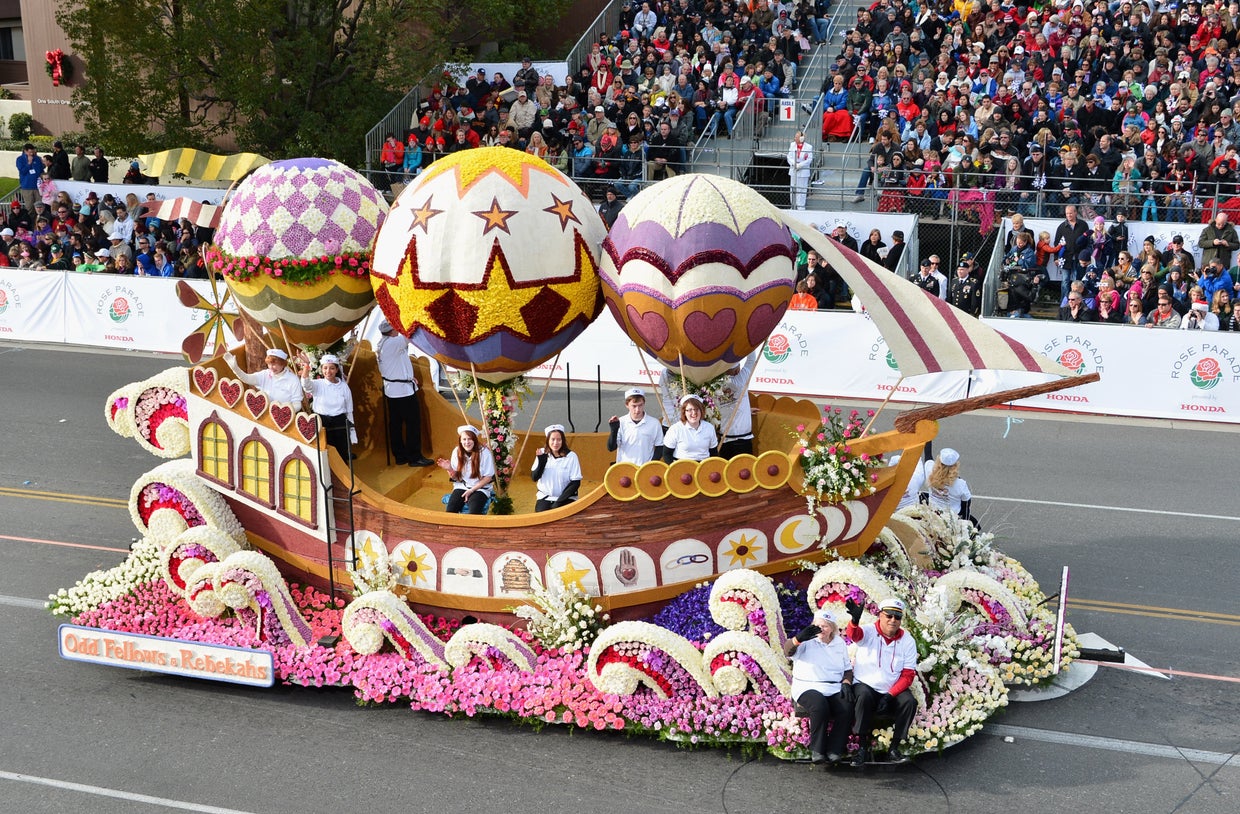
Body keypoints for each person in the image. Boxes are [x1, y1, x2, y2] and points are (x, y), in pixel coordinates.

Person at [843, 596, 918, 766]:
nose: (892, 620)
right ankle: (862, 747)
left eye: (897, 617)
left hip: (891, 688)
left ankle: (894, 748)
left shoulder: (907, 640)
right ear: (880, 615)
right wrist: (854, 621)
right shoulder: (869, 630)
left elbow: (908, 675)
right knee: (863, 697)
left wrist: (889, 695)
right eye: (889, 615)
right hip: (866, 684)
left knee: (909, 702)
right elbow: (854, 635)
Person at [784, 609, 855, 765]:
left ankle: (835, 749)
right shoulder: (806, 641)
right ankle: (817, 749)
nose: (821, 629)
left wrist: (846, 683)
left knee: (846, 706)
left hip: (833, 686)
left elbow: (847, 669)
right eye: (818, 626)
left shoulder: (839, 643)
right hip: (807, 685)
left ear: (832, 628)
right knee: (819, 705)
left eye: (825, 626)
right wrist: (797, 639)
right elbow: (788, 650)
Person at [376, 319, 433, 467]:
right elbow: (410, 334)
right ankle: (414, 457)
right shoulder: (392, 343)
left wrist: (408, 376)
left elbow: (396, 365)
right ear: (393, 330)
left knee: (395, 424)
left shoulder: (383, 343)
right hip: (402, 392)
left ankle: (400, 456)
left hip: (393, 389)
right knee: (412, 424)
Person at [299, 354, 356, 462]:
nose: (328, 371)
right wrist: (306, 365)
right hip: (322, 422)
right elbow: (306, 384)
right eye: (325, 368)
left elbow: (349, 409)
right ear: (321, 369)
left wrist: (352, 432)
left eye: (332, 368)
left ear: (336, 370)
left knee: (342, 453)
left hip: (340, 423)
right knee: (325, 453)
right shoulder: (318, 384)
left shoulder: (343, 386)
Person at [437, 425, 495, 514]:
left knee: (474, 512)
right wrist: (449, 469)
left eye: (469, 439)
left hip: (480, 488)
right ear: (460, 440)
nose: (467, 442)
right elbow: (457, 478)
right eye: (464, 439)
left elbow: (488, 477)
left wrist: (471, 490)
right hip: (462, 486)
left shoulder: (485, 453)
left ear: (474, 440)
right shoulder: (456, 451)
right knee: (451, 510)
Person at [223, 347, 304, 405]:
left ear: (283, 364)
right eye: (269, 364)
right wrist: (235, 369)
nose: (271, 367)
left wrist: (284, 412)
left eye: (275, 364)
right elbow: (247, 378)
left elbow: (297, 404)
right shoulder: (265, 374)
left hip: (286, 419)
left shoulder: (293, 380)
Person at [531, 424, 583, 512]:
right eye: (553, 439)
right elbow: (534, 477)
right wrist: (541, 461)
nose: (555, 443)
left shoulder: (571, 456)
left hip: (566, 498)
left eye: (559, 440)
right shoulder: (542, 453)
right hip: (545, 497)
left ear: (563, 441)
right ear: (548, 440)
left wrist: (558, 503)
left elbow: (575, 483)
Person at [716, 352, 758, 458]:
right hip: (742, 439)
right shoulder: (740, 380)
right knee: (745, 472)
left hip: (723, 438)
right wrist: (751, 342)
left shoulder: (714, 385)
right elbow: (751, 361)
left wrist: (747, 410)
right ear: (737, 370)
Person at [607, 387, 664, 464]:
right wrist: (614, 429)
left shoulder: (654, 423)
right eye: (634, 406)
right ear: (627, 405)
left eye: (640, 405)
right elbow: (611, 448)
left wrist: (650, 465)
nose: (637, 410)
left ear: (644, 403)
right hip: (624, 468)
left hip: (644, 469)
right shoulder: (621, 421)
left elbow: (660, 446)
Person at [924, 448, 974, 524]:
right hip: (952, 520)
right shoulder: (960, 484)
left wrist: (927, 438)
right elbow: (966, 504)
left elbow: (928, 456)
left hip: (933, 514)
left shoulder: (929, 472)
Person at [662, 395, 718, 462]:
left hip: (703, 467)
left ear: (701, 411)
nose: (694, 413)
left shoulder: (709, 428)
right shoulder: (675, 429)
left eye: (696, 409)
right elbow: (666, 454)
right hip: (681, 467)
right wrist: (675, 471)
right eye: (690, 410)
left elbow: (714, 453)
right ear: (684, 412)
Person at [787, 130, 813, 210]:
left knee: (801, 189)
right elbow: (789, 156)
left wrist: (800, 165)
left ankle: (801, 208)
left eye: (796, 137)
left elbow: (809, 159)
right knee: (793, 189)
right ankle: (793, 206)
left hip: (803, 170)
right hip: (794, 169)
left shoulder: (809, 147)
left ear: (801, 138)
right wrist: (794, 164)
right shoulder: (792, 145)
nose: (794, 138)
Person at [15, 143, 40, 213]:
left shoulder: (37, 159)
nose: (31, 153)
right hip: (27, 187)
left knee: (39, 206)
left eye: (32, 152)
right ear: (25, 151)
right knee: (29, 207)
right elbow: (22, 171)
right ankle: (30, 222)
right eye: (30, 152)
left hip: (37, 187)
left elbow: (40, 170)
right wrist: (29, 163)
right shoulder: (20, 159)